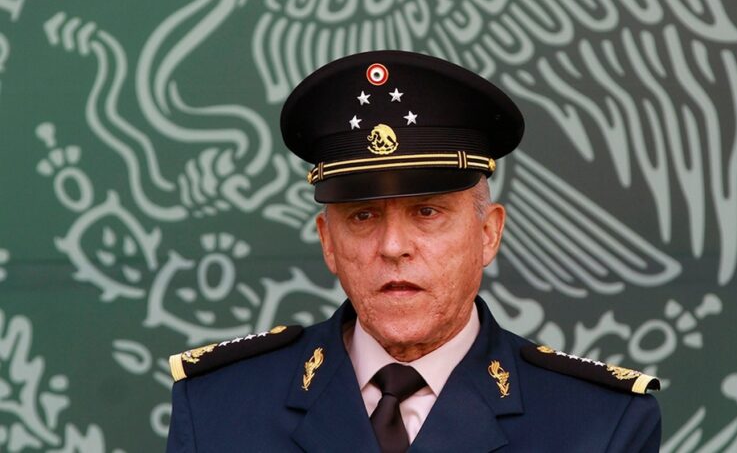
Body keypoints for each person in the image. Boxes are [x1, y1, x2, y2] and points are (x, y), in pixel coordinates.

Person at [165, 50, 661, 452]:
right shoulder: (217, 407)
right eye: (363, 216)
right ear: (328, 242)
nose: (393, 246)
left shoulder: (600, 422)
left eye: (427, 211)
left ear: (488, 233)